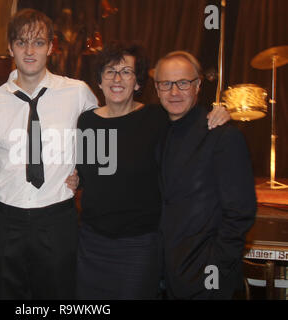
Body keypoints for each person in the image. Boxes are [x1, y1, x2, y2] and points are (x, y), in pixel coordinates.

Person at [76, 42, 230, 299]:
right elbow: (90, 172)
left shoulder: (157, 118)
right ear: (99, 81)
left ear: (137, 83)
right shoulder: (86, 121)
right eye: (109, 71)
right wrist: (75, 178)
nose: (117, 78)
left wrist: (220, 112)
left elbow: (192, 119)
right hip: (91, 243)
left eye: (126, 72)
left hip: (139, 245)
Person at [0, 9, 97, 299]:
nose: (29, 50)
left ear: (51, 47)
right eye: (21, 42)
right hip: (6, 220)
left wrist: (84, 175)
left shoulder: (78, 93)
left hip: (57, 219)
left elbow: (99, 141)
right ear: (10, 48)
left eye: (38, 42)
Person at [154, 51, 256, 299]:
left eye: (183, 83)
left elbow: (240, 212)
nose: (174, 92)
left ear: (198, 85)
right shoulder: (156, 132)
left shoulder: (222, 135)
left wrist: (215, 266)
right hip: (162, 277)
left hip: (205, 279)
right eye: (166, 84)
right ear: (156, 89)